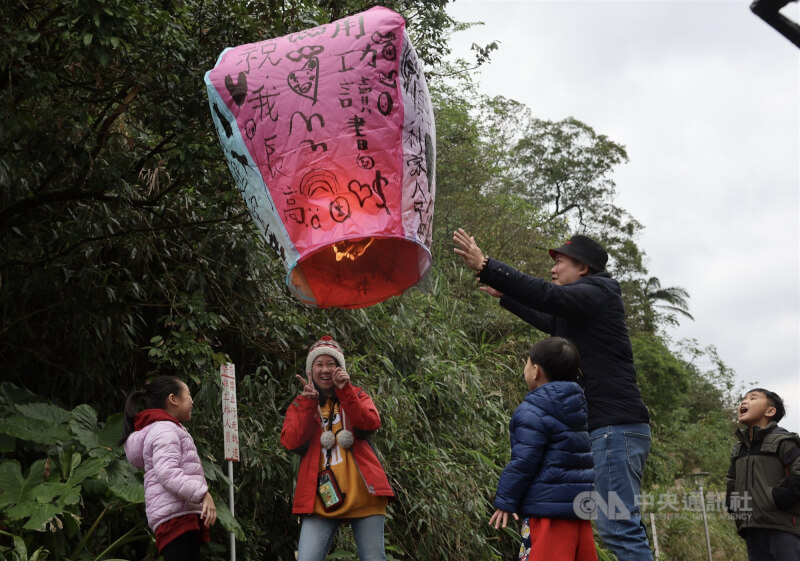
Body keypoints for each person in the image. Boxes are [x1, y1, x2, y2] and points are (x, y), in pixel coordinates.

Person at [454, 229, 653, 561]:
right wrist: (506, 294)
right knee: (619, 526)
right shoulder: (585, 307)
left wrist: (488, 266)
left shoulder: (599, 291)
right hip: (611, 429)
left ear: (583, 268)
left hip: (613, 429)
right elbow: (551, 318)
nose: (553, 268)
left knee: (619, 527)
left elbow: (548, 297)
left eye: (560, 261)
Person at [281, 336, 394, 561]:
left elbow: (370, 423)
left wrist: (346, 391)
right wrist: (308, 404)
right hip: (320, 500)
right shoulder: (301, 403)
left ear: (340, 369)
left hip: (365, 496)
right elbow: (291, 441)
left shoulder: (357, 394)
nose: (325, 370)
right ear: (310, 370)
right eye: (319, 364)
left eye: (331, 364)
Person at [490, 337, 597, 561]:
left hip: (548, 512)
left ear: (535, 371)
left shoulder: (532, 411)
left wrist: (505, 501)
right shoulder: (577, 408)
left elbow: (524, 462)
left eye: (527, 363)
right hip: (577, 513)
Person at [122, 376, 216, 561]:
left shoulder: (168, 429)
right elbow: (167, 473)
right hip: (176, 519)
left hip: (179, 516)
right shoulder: (165, 430)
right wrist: (203, 494)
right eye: (189, 395)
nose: (192, 401)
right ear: (173, 399)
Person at [726, 388, 800, 560]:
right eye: (743, 399)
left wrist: (775, 498)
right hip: (752, 529)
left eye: (753, 398)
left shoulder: (784, 441)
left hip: (784, 527)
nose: (744, 402)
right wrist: (733, 507)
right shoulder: (739, 449)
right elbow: (731, 481)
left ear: (770, 411)